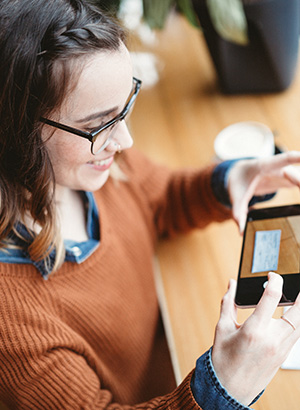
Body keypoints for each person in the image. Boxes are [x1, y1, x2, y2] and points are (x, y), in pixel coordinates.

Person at [0, 0, 299, 409]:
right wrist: (224, 388)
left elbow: (159, 199)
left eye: (126, 106)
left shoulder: (91, 168)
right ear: (14, 130)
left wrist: (229, 181)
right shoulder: (13, 330)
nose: (125, 141)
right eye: (99, 124)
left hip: (166, 349)